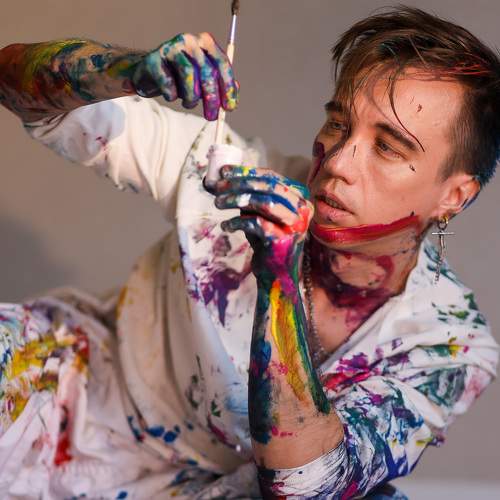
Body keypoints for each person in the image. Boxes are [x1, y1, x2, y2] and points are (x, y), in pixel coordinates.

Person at [0, 5, 498, 499]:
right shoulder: (235, 171)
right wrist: (128, 71)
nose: (339, 163)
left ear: (454, 195)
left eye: (388, 147)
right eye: (339, 124)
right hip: (69, 393)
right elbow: (17, 85)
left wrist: (277, 281)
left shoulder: (447, 344)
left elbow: (308, 484)